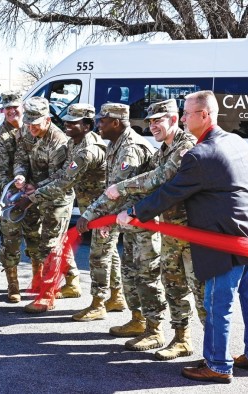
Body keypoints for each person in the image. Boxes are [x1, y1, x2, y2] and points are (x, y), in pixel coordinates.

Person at [118, 90, 248, 384]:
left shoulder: (200, 154)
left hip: (226, 241)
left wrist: (134, 212)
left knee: (217, 305)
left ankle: (217, 365)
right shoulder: (236, 141)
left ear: (204, 115)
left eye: (187, 114)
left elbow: (170, 192)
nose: (184, 119)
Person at [104, 99, 205, 360]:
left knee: (201, 292)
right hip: (171, 230)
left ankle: (216, 352)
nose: (153, 126)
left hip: (192, 232)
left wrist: (121, 188)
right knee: (173, 285)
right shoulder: (162, 150)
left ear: (174, 119)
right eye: (150, 121)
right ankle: (180, 338)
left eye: (158, 120)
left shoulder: (186, 146)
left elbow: (159, 178)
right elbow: (147, 184)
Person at [16, 103, 125, 321]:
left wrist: (31, 198)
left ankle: (98, 303)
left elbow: (64, 182)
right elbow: (60, 174)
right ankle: (117, 296)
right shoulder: (74, 143)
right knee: (109, 252)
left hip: (102, 209)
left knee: (99, 255)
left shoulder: (87, 150)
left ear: (87, 125)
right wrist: (37, 187)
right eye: (66, 120)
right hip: (90, 206)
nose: (66, 124)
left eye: (73, 122)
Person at [76, 103, 167, 351]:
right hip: (127, 223)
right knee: (129, 274)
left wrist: (91, 215)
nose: (98, 126)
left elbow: (117, 191)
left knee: (147, 277)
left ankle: (155, 330)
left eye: (102, 121)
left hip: (144, 225)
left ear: (115, 122)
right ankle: (138, 321)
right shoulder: (116, 145)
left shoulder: (130, 149)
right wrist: (107, 219)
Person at [12, 97, 78, 313]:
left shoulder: (59, 141)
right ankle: (73, 280)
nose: (31, 128)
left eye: (36, 124)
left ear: (48, 120)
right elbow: (20, 157)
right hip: (34, 193)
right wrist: (20, 177)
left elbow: (59, 177)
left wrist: (35, 188)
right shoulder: (25, 132)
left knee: (50, 245)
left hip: (57, 196)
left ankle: (47, 296)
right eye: (28, 123)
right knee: (52, 241)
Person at [0, 91, 26, 303]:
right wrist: (10, 196)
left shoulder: (32, 129)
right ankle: (13, 285)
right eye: (7, 108)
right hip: (11, 199)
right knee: (10, 242)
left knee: (38, 241)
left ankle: (41, 284)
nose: (12, 112)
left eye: (15, 107)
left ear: (23, 107)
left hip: (34, 195)